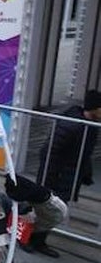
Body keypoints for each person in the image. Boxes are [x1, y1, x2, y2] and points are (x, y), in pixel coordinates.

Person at [36, 89, 101, 252]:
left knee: (55, 210)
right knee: (49, 209)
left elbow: (83, 152)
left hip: (68, 175)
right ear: (95, 108)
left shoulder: (89, 126)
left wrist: (85, 173)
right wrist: (48, 178)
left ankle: (38, 240)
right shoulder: (73, 124)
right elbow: (50, 150)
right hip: (57, 176)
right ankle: (32, 239)